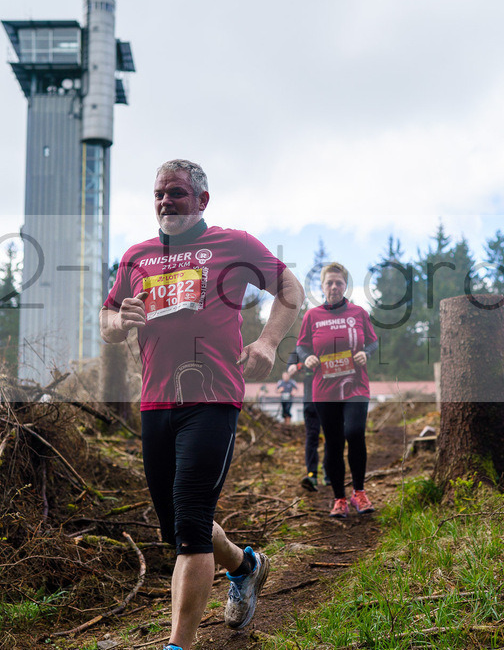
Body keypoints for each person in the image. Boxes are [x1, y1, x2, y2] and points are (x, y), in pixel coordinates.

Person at [100, 159, 304, 650]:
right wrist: (119, 320)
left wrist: (268, 343)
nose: (166, 201)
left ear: (202, 201)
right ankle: (245, 565)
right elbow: (107, 322)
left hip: (212, 398)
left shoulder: (232, 245)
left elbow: (291, 290)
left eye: (177, 193)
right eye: (159, 194)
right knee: (180, 523)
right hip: (156, 403)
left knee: (189, 527)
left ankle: (178, 645)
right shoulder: (137, 256)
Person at [295, 263, 378, 518]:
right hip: (325, 389)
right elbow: (301, 346)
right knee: (333, 443)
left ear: (345, 286)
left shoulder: (358, 313)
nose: (334, 287)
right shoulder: (312, 316)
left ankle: (360, 492)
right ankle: (339, 498)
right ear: (322, 287)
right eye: (329, 283)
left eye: (338, 283)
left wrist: (366, 353)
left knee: (354, 433)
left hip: (355, 385)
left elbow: (373, 341)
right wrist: (307, 357)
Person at [286, 352, 326, 491]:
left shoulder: (330, 341)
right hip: (311, 400)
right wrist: (293, 367)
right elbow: (292, 362)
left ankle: (329, 472)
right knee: (312, 436)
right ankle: (312, 475)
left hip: (331, 398)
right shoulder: (302, 347)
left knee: (332, 436)